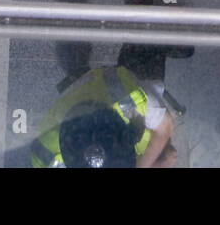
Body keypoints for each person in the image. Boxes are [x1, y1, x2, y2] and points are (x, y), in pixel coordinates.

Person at [30, 65, 176, 168]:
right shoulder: (45, 154)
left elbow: (165, 129)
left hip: (124, 82)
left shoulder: (130, 99)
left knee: (167, 154)